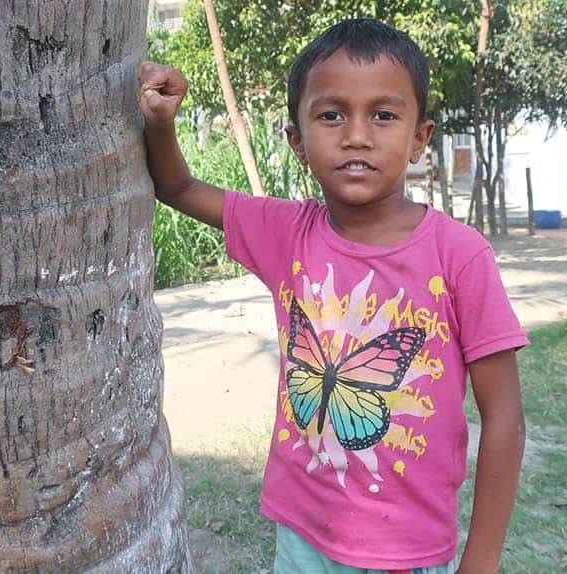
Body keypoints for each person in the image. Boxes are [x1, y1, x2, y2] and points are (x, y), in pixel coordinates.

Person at [138, 18, 528, 574]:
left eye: (384, 115)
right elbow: (178, 187)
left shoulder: (460, 256)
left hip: (408, 552)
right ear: (297, 142)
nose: (357, 135)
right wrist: (160, 123)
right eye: (331, 115)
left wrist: (481, 562)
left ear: (419, 139)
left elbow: (505, 417)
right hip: (303, 536)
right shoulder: (286, 233)